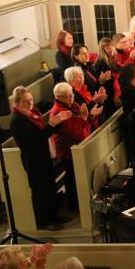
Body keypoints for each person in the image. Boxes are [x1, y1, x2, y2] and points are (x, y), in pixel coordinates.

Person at [10, 86, 72, 230]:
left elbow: (44, 132)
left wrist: (57, 123)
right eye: (26, 101)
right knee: (41, 192)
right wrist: (52, 124)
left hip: (44, 157)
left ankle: (55, 216)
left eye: (31, 100)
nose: (30, 104)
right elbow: (36, 139)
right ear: (17, 102)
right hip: (34, 161)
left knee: (50, 188)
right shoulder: (18, 120)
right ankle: (45, 221)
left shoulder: (32, 114)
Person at [51, 82, 99, 211]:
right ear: (58, 97)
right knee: (72, 178)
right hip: (68, 151)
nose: (70, 98)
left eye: (71, 94)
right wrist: (84, 118)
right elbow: (73, 133)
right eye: (66, 96)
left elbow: (83, 121)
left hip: (80, 146)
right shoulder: (58, 111)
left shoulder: (73, 105)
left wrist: (91, 116)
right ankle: (74, 206)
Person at [93, 37, 120, 117]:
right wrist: (102, 80)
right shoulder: (101, 62)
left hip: (115, 92)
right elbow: (99, 82)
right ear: (102, 50)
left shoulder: (113, 59)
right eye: (108, 48)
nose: (111, 49)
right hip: (108, 95)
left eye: (112, 46)